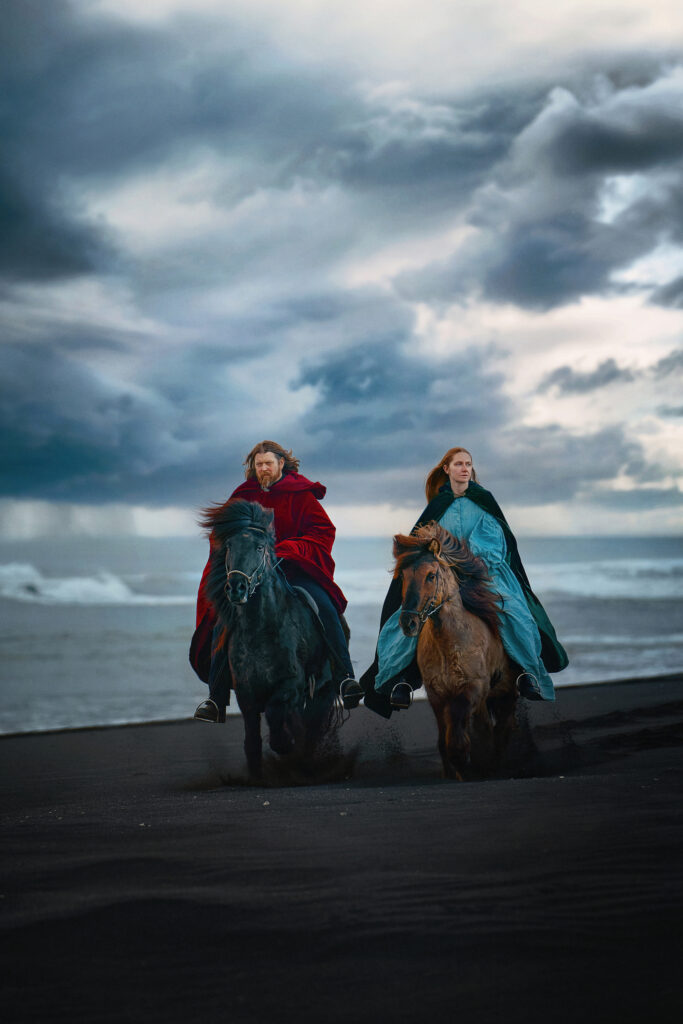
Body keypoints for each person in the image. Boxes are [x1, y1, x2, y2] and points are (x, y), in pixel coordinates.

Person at [352, 446, 568, 718]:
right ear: (447, 469)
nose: (464, 468)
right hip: (443, 576)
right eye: (458, 464)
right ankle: (403, 679)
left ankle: (525, 673)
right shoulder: (438, 504)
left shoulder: (483, 500)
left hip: (486, 574)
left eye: (468, 464)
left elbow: (493, 544)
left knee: (514, 612)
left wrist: (460, 559)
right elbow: (424, 544)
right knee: (409, 614)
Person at [190, 440, 358, 722]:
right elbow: (222, 534)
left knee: (325, 607)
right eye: (259, 464)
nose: (264, 468)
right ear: (252, 467)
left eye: (268, 463)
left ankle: (345, 678)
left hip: (294, 572)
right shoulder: (243, 496)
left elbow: (323, 530)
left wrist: (290, 549)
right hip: (253, 577)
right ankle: (216, 699)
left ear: (282, 463)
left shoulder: (301, 495)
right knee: (222, 621)